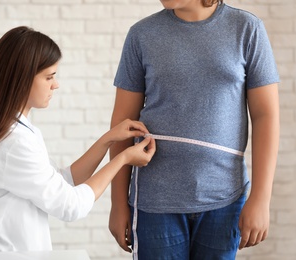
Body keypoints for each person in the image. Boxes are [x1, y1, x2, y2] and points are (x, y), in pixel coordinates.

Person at [0, 26, 156, 252]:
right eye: (49, 77)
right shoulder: (13, 142)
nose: (55, 85)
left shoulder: (8, 128)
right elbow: (71, 206)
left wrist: (107, 140)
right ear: (21, 79)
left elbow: (62, 181)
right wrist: (122, 158)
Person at [109, 0, 280, 259]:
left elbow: (265, 115)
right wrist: (117, 203)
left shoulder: (247, 29)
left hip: (225, 200)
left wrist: (261, 198)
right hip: (155, 203)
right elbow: (122, 124)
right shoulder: (142, 35)